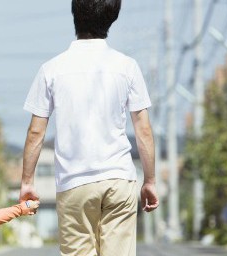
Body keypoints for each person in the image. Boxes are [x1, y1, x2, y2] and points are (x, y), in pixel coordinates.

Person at [19, 1, 159, 255]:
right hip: (119, 180)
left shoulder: (51, 70)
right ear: (112, 17)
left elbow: (36, 132)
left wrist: (27, 181)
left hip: (74, 184)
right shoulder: (127, 67)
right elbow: (144, 131)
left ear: (75, 14)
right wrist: (149, 180)